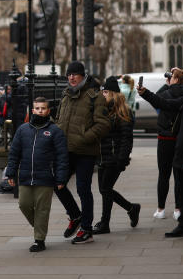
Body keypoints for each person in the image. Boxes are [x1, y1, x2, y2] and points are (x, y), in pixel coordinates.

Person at [54, 61, 110, 244]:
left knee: (83, 189)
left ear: (83, 75)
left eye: (75, 74)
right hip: (65, 150)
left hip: (85, 150)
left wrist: (84, 137)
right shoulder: (66, 95)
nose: (71, 77)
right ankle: (75, 215)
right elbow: (60, 120)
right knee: (57, 183)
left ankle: (86, 229)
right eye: (69, 74)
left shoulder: (95, 96)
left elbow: (103, 125)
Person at [4, 97, 68, 252]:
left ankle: (39, 240)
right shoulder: (23, 129)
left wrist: (61, 178)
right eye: (37, 108)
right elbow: (14, 153)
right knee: (23, 204)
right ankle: (39, 226)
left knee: (42, 209)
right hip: (25, 176)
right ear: (32, 110)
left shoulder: (55, 131)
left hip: (45, 177)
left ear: (48, 110)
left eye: (43, 108)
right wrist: (11, 173)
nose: (40, 111)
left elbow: (62, 157)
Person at [138, 67, 183, 237]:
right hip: (180, 140)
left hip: (165, 139)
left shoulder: (167, 93)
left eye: (171, 77)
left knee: (164, 174)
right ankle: (179, 209)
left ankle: (161, 208)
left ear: (175, 79)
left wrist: (163, 86)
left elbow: (159, 101)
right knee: (181, 178)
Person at [93, 77, 140, 234]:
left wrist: (122, 159)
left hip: (114, 158)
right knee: (104, 189)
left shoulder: (122, 111)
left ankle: (105, 223)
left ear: (113, 93)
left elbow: (127, 138)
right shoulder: (103, 109)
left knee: (105, 189)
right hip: (103, 156)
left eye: (105, 92)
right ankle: (131, 208)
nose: (102, 94)